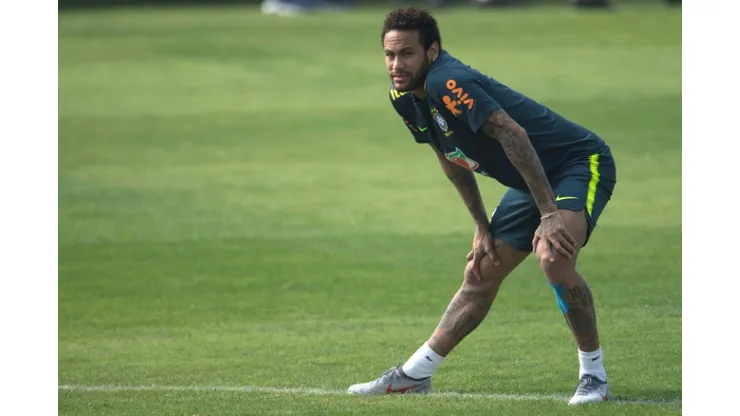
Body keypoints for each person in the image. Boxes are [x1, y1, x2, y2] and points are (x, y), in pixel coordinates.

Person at [347, 7, 617, 406]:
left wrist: (548, 214)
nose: (396, 65)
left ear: (432, 51)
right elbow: (448, 156)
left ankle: (594, 377)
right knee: (481, 270)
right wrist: (481, 224)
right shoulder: (403, 97)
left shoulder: (448, 82)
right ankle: (414, 376)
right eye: (389, 55)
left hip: (576, 165)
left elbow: (514, 135)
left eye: (407, 54)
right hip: (530, 180)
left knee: (553, 257)